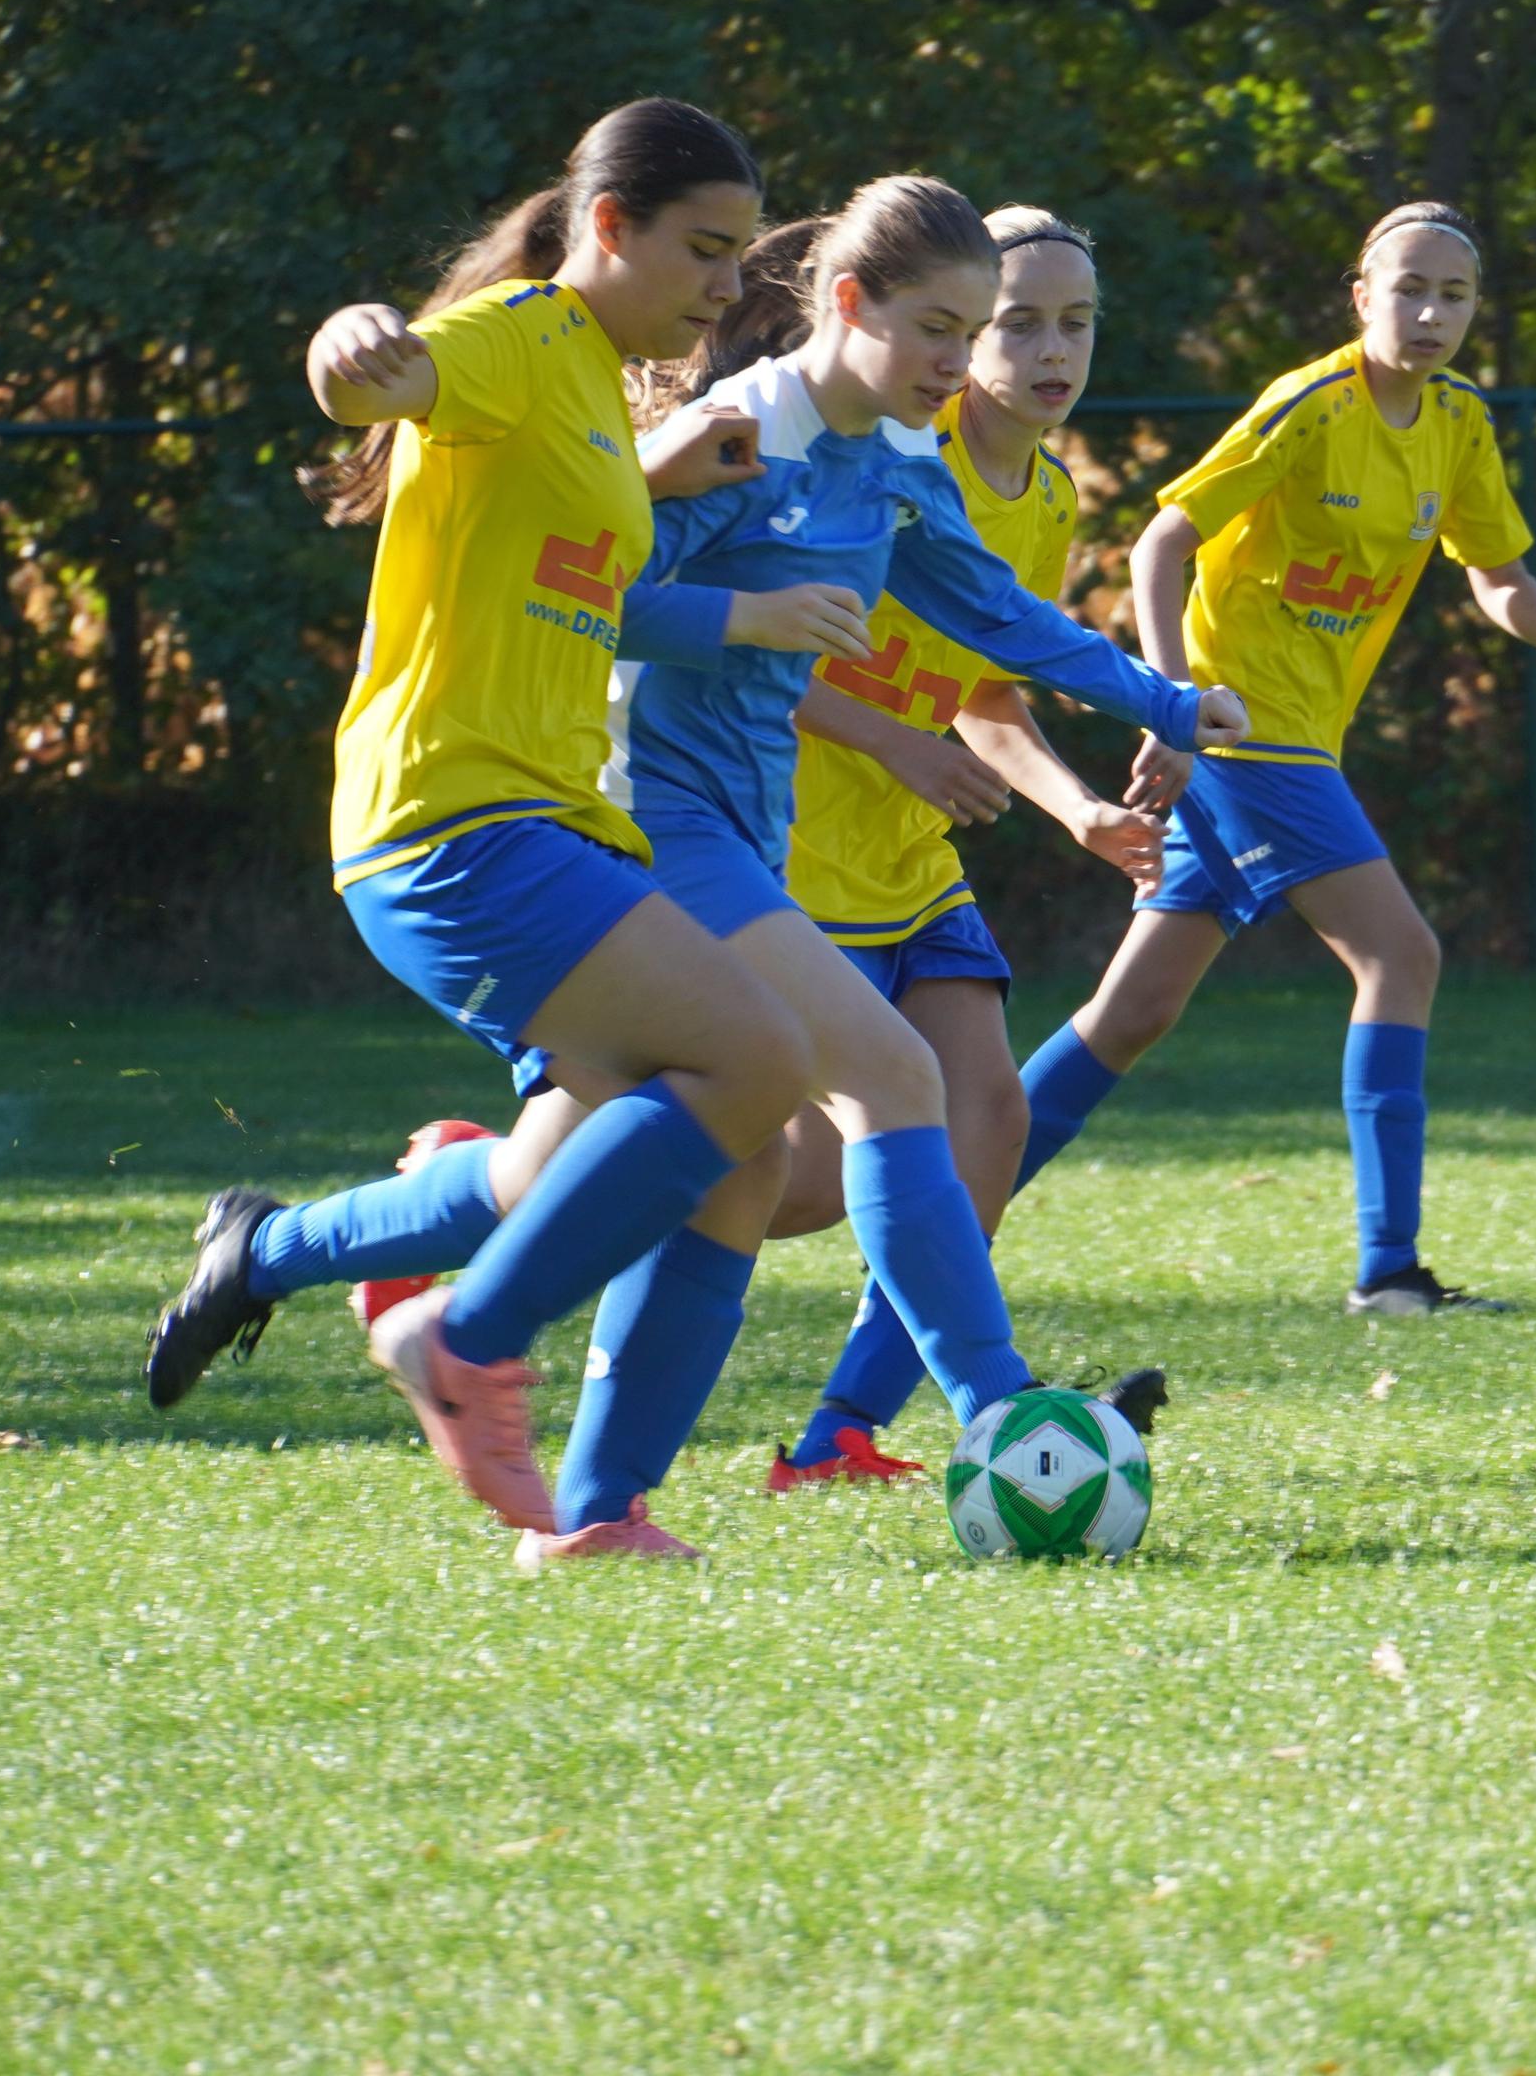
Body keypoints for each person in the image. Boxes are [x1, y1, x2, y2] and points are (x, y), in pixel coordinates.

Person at [154, 177, 1243, 1561]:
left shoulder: (897, 468)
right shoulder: (738, 437)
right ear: (846, 304)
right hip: (641, 823)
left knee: (655, 1171)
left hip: (736, 836)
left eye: (968, 336)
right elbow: (592, 600)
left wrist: (1161, 702)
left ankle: (559, 1481)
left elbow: (999, 616)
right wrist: (744, 621)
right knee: (887, 1078)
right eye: (933, 328)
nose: (953, 364)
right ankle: (993, 1408)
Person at [143, 96, 841, 1546]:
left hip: (555, 823)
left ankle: (594, 1513)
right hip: (452, 816)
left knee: (732, 1151)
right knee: (760, 1057)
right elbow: (386, 383)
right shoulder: (522, 338)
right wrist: (348, 348)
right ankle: (465, 1340)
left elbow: (564, 562)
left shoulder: (599, 384)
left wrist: (654, 483)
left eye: (740, 258)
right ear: (607, 227)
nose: (729, 287)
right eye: (705, 252)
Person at [1007, 200, 1536, 1314]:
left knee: (1132, 1014)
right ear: (1362, 297)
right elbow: (1163, 540)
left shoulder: (1456, 422)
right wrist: (1174, 707)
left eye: (1454, 295)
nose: (1432, 312)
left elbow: (1495, 574)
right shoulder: (1311, 404)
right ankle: (1388, 1271)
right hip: (1252, 736)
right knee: (1402, 956)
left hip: (1286, 742)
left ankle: (941, 1202)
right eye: (1409, 289)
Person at [758, 206, 1165, 1486]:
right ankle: (496, 1184)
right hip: (787, 844)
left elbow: (985, 694)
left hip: (913, 855)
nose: (1054, 349)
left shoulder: (1046, 495)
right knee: (799, 1188)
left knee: (989, 1117)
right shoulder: (877, 451)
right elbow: (749, 647)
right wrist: (887, 739)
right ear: (959, 334)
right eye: (1020, 323)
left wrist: (1075, 807)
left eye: (1077, 323)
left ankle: (840, 1432)